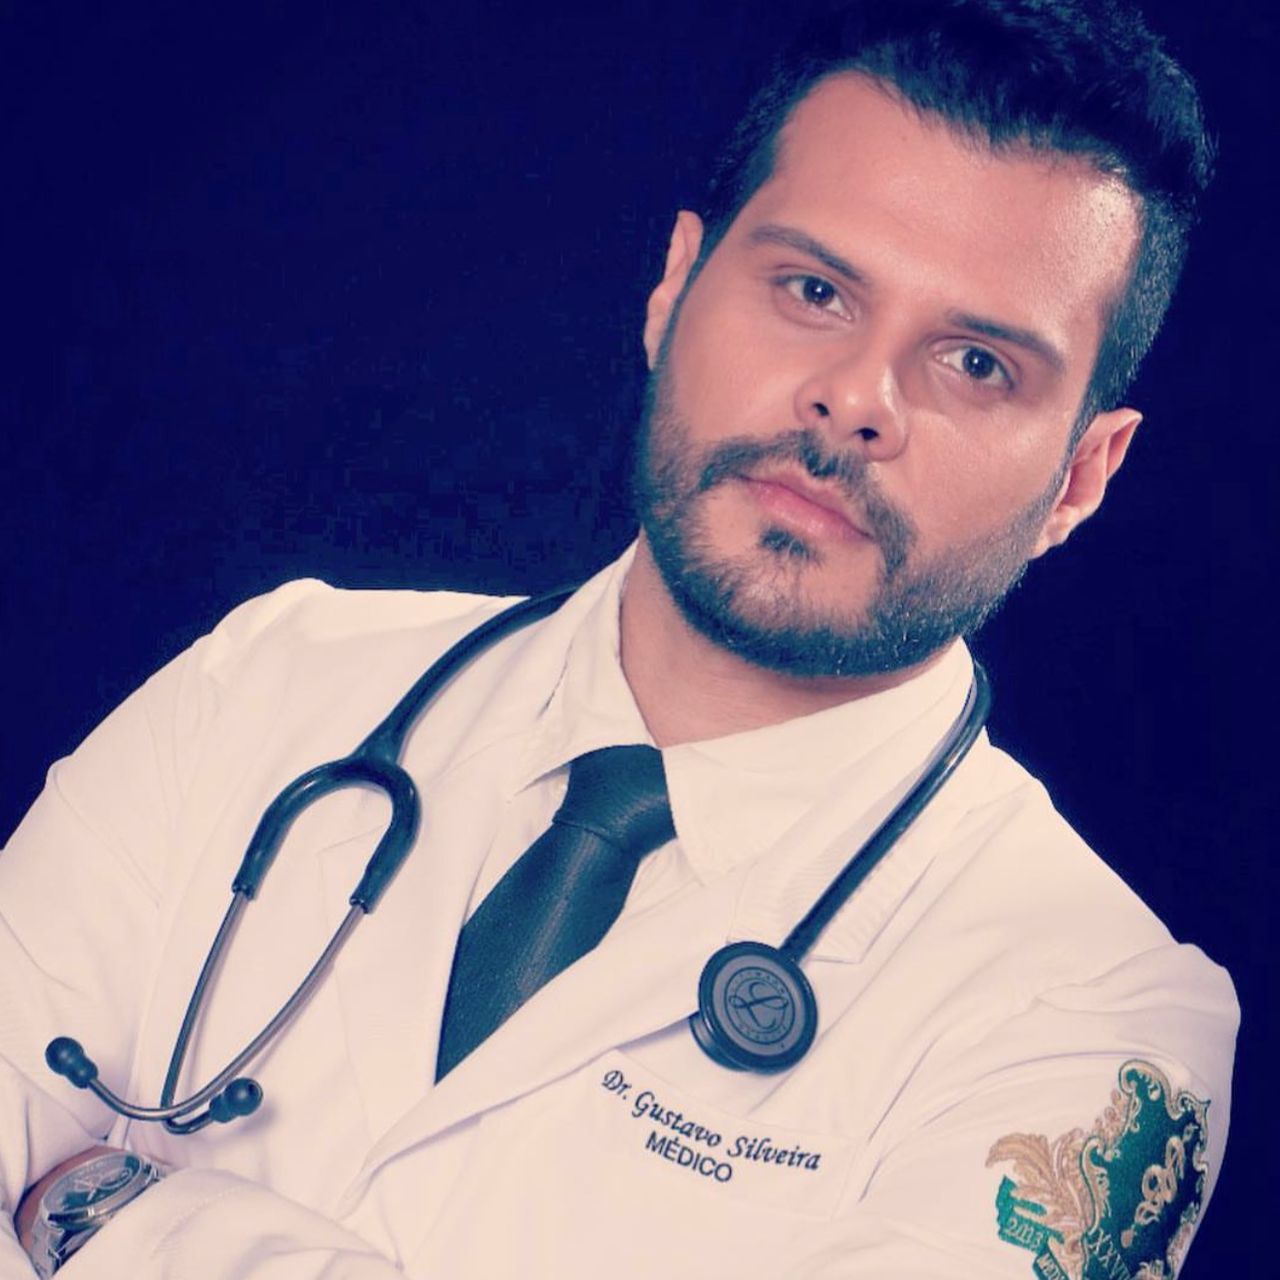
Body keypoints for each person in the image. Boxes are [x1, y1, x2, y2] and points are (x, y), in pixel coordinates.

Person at [0, 0, 1237, 1276]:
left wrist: (111, 1211)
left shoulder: (1099, 1021)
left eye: (975, 363)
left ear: (1079, 477)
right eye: (813, 290)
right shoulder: (270, 678)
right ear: (672, 286)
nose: (854, 399)